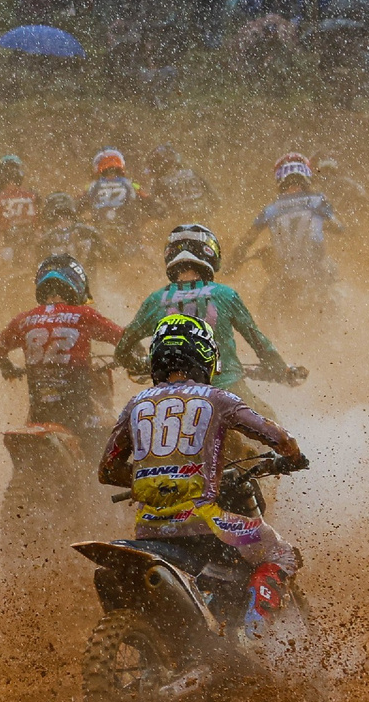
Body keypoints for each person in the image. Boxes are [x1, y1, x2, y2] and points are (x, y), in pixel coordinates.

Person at [96, 313, 309, 647]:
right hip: (206, 523)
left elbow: (108, 470)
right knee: (281, 553)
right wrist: (293, 456)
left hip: (150, 529)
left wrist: (153, 477)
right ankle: (254, 638)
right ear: (205, 356)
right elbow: (274, 435)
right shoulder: (216, 398)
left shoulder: (134, 404)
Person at [112, 226, 297, 414]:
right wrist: (280, 369)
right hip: (225, 388)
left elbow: (122, 349)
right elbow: (258, 341)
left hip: (173, 399)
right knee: (271, 425)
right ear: (210, 253)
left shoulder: (155, 300)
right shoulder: (225, 294)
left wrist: (141, 365)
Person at [0, 256, 125, 449]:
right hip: (78, 415)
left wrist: (8, 368)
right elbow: (125, 338)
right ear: (76, 284)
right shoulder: (83, 315)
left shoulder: (23, 320)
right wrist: (133, 358)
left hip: (40, 415)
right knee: (114, 433)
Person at [230, 155, 349, 291]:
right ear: (305, 176)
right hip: (315, 270)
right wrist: (325, 226)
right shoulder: (318, 201)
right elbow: (339, 228)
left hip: (284, 276)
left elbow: (247, 239)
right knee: (335, 281)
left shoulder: (271, 209)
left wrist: (233, 262)